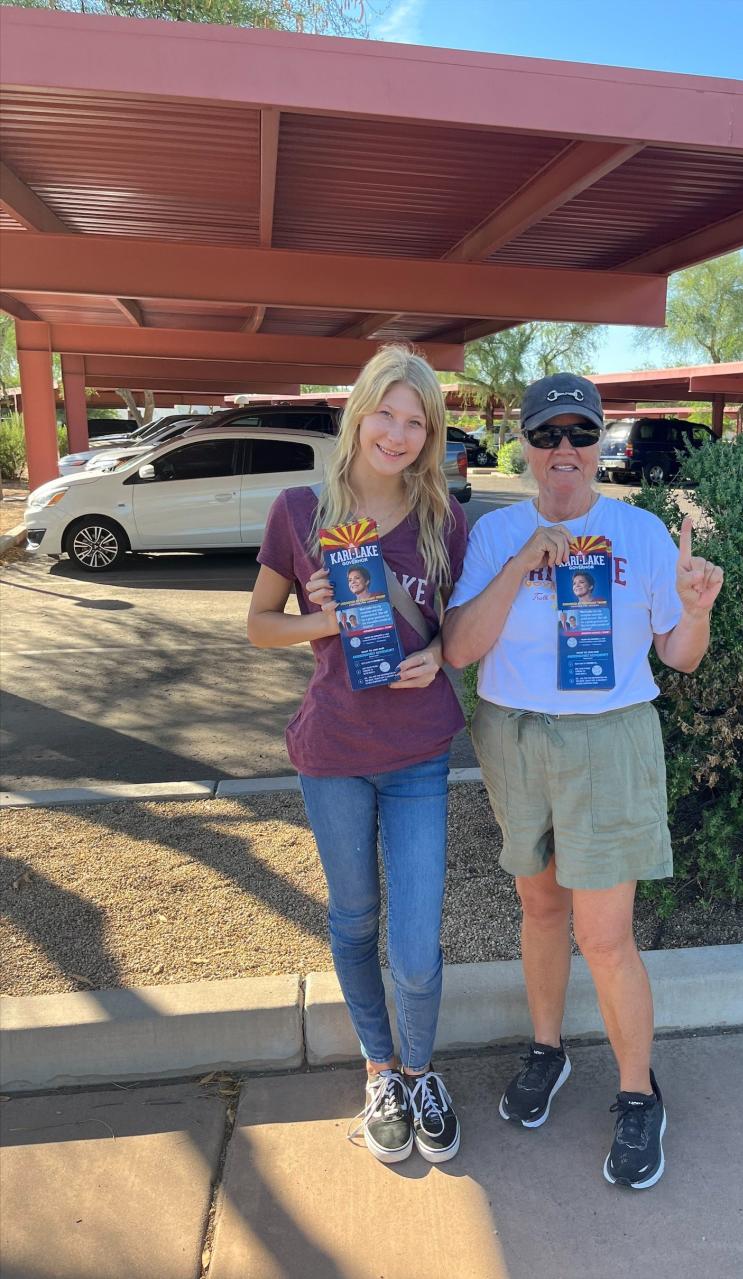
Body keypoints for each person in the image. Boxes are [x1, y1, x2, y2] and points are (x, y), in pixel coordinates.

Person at [443, 371, 723, 1190]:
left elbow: (677, 656)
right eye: (546, 435)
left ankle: (639, 1096)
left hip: (609, 741)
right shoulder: (494, 533)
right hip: (513, 735)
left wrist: (696, 609)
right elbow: (460, 649)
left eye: (580, 434)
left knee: (604, 935)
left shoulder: (638, 533)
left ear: (600, 442)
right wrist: (527, 556)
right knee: (539, 905)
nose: (564, 450)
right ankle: (547, 1050)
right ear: (524, 446)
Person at [248, 345, 467, 1167]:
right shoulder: (299, 509)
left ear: (431, 432)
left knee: (414, 942)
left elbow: (463, 625)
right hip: (332, 750)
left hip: (417, 753)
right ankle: (380, 1070)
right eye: (387, 413)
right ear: (359, 413)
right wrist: (322, 620)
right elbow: (259, 623)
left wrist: (440, 653)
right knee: (354, 918)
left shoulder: (445, 516)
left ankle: (420, 1069)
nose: (399, 433)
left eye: (417, 421)